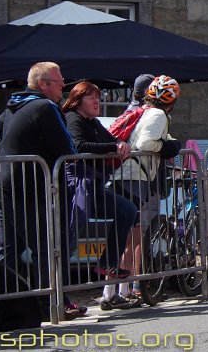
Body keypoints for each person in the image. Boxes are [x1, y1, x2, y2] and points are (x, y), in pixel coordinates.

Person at [0, 62, 83, 320]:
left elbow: (0, 129)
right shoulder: (45, 107)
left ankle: (3, 306)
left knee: (8, 247)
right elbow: (67, 148)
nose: (63, 85)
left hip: (5, 181)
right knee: (44, 246)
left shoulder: (13, 105)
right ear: (43, 84)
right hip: (29, 184)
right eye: (59, 81)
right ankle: (48, 304)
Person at [61, 82, 139, 310]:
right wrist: (112, 148)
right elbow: (78, 144)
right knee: (70, 239)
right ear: (77, 101)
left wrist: (119, 144)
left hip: (93, 186)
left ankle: (108, 264)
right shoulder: (73, 119)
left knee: (127, 210)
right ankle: (58, 295)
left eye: (98, 96)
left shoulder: (92, 121)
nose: (97, 101)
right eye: (91, 97)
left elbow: (110, 139)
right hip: (76, 187)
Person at [109, 75, 182, 302]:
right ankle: (114, 291)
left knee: (128, 236)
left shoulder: (147, 112)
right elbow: (145, 144)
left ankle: (120, 291)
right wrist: (168, 146)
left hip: (130, 176)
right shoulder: (159, 114)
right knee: (129, 237)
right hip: (134, 177)